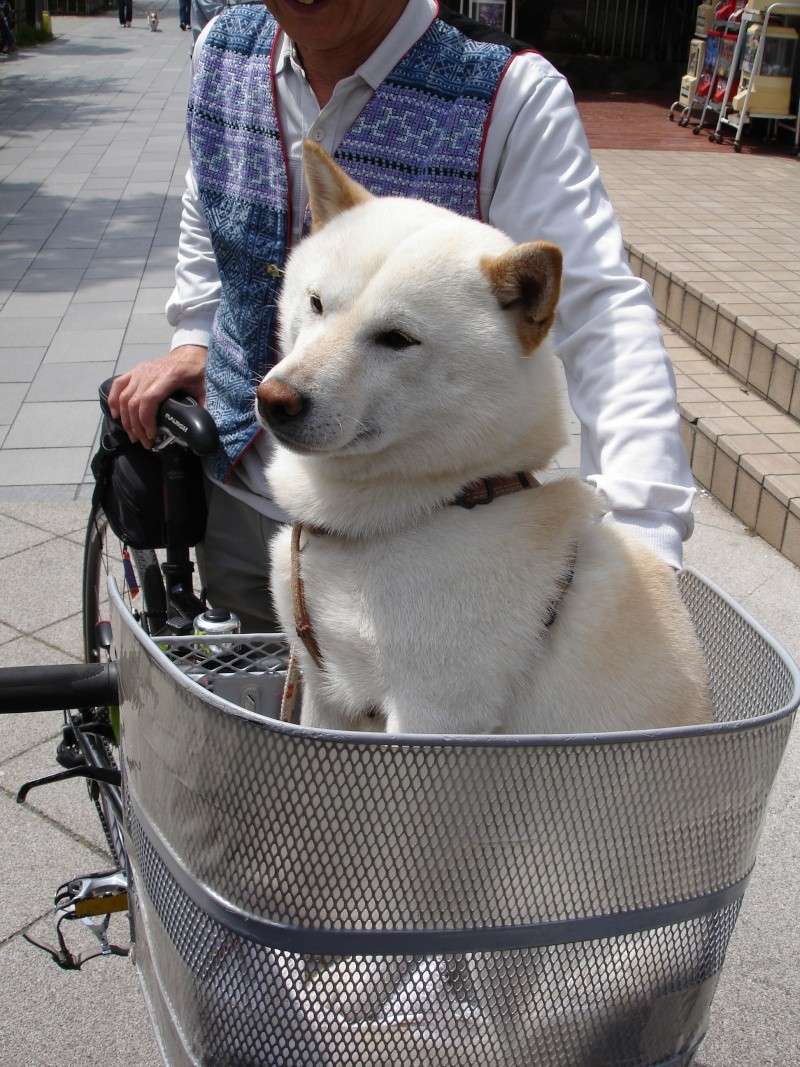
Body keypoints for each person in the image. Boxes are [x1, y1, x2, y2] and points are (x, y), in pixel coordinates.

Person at [109, 0, 696, 633]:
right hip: (237, 482)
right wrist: (195, 332)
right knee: (251, 709)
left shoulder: (505, 93)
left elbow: (597, 311)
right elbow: (209, 189)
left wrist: (644, 529)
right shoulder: (225, 45)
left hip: (430, 541)